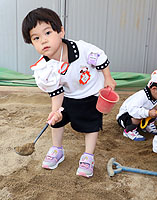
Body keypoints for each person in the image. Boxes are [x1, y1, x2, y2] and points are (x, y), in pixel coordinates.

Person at [22, 7, 116, 178]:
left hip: (90, 94)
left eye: (48, 33)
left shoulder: (82, 49)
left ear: (61, 32)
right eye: (36, 38)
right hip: (67, 95)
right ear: (32, 43)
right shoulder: (45, 68)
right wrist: (56, 111)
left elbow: (101, 58)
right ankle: (57, 150)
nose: (43, 40)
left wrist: (108, 79)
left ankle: (88, 156)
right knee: (55, 122)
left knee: (91, 125)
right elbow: (56, 92)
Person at [116, 68, 157, 141]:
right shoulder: (141, 96)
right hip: (125, 118)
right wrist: (148, 113)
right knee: (139, 115)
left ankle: (147, 125)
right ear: (154, 89)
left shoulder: (155, 96)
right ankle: (129, 131)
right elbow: (133, 111)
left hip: (141, 117)